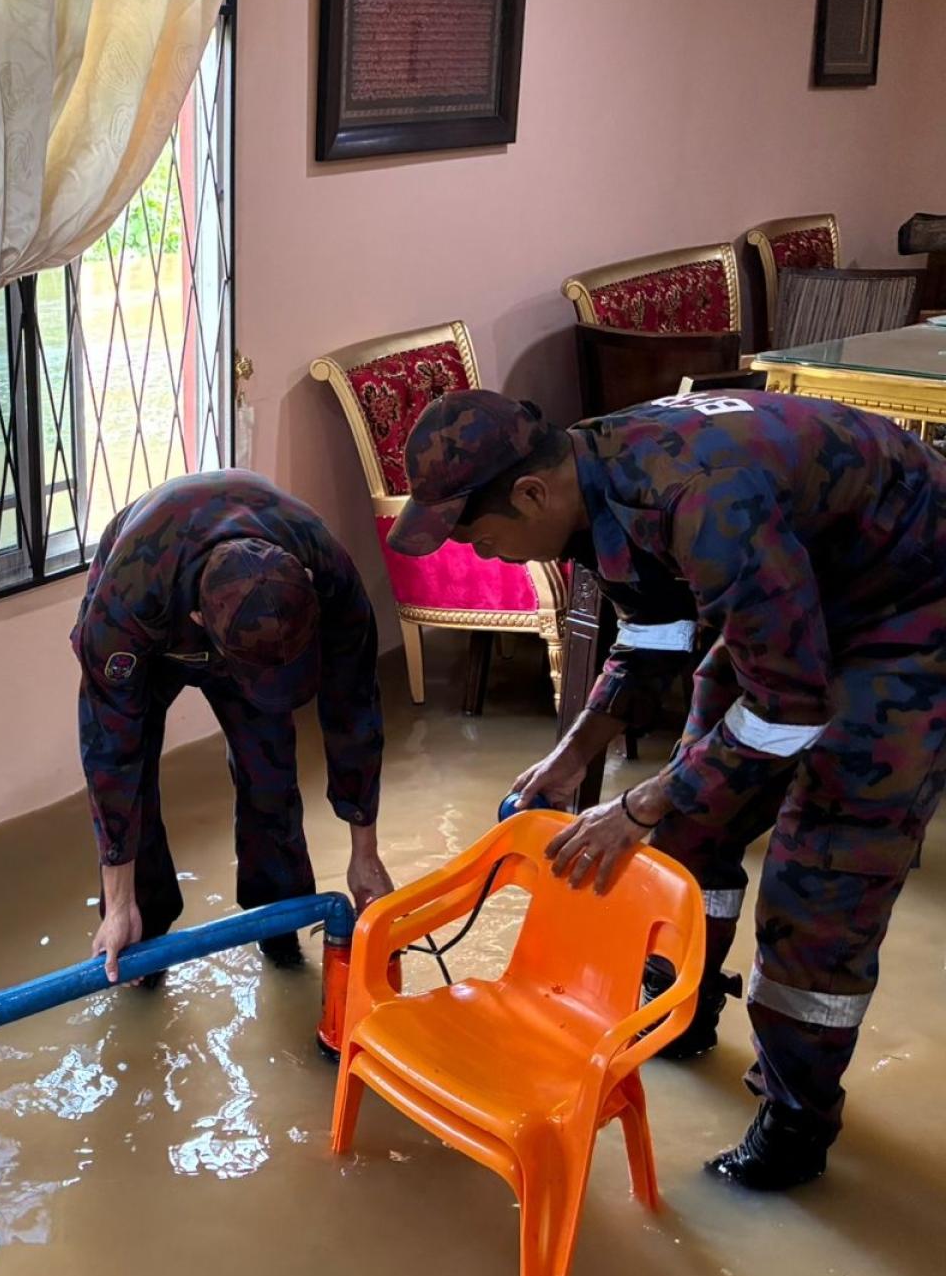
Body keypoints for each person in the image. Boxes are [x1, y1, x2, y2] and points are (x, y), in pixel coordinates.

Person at [387, 387, 946, 1191]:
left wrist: (639, 802)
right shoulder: (592, 477)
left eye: (478, 536)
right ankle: (681, 1008)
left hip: (912, 608)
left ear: (530, 494)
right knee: (693, 826)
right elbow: (652, 632)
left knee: (819, 878)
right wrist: (574, 756)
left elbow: (789, 709)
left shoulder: (698, 499)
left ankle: (795, 1121)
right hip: (800, 588)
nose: (483, 557)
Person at [72, 469, 395, 987]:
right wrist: (119, 902)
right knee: (136, 785)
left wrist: (365, 853)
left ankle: (279, 926)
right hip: (154, 628)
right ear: (200, 620)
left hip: (251, 628)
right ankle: (141, 935)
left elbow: (353, 708)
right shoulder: (124, 607)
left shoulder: (327, 570)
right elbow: (112, 756)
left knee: (270, 773)